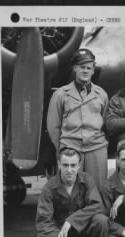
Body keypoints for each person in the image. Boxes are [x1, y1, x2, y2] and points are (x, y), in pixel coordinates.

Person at [31, 147, 109, 237]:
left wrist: (72, 221)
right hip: (59, 235)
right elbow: (43, 222)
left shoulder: (87, 180)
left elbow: (97, 205)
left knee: (101, 220)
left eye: (73, 165)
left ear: (79, 165)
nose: (69, 170)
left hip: (82, 231)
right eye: (65, 165)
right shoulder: (49, 188)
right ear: (59, 164)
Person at [47, 48, 109, 190]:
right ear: (75, 68)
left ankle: (97, 213)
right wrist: (63, 148)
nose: (85, 71)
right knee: (70, 191)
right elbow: (53, 126)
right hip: (71, 148)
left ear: (93, 70)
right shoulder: (60, 94)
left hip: (96, 149)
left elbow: (104, 121)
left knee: (98, 190)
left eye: (89, 68)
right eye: (82, 67)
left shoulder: (101, 94)